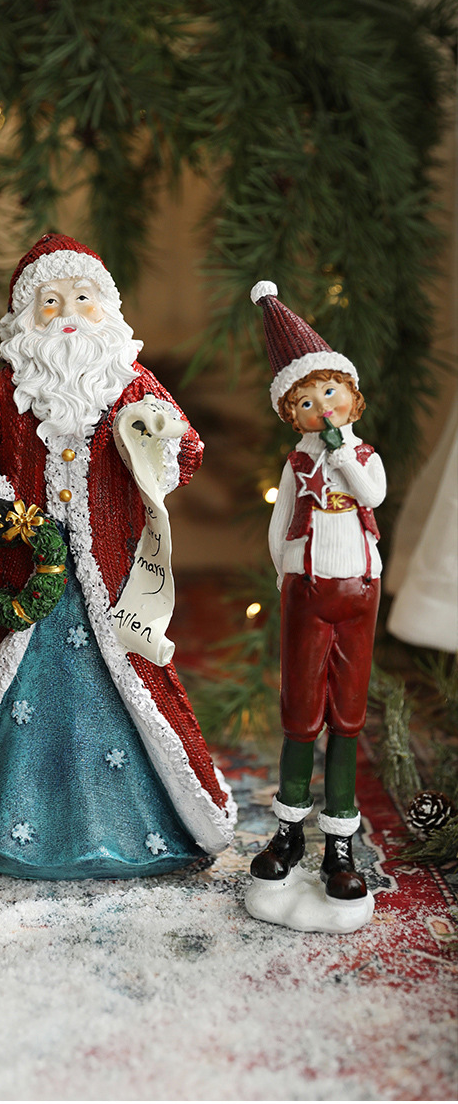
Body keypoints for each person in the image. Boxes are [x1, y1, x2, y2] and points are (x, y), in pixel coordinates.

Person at [0, 234, 235, 879]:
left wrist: (158, 443)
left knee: (129, 684)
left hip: (113, 579)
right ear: (25, 316)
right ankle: (1, 818)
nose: (68, 313)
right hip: (29, 575)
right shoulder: (8, 390)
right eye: (50, 301)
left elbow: (186, 449)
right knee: (6, 684)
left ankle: (132, 823)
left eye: (83, 298)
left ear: (107, 309)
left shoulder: (131, 384)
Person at [249, 281, 386, 909]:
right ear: (292, 414)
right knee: (301, 711)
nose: (321, 407)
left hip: (359, 589)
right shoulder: (295, 464)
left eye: (330, 393)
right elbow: (280, 524)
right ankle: (288, 832)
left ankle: (340, 840)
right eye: (306, 401)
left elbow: (371, 495)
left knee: (347, 716)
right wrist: (288, 574)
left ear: (352, 397)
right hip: (308, 591)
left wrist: (342, 454)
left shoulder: (364, 455)